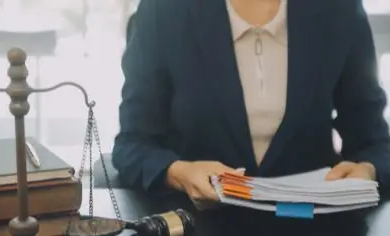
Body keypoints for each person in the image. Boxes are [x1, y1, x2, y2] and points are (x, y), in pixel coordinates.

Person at [111, 0, 390, 207]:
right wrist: (179, 172)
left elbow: (376, 144)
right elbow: (132, 146)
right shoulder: (164, 12)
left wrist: (368, 169)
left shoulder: (339, 11)